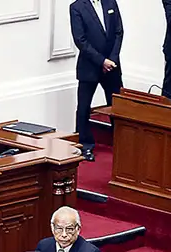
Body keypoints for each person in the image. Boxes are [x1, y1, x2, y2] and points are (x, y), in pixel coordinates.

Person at [70, 0, 123, 163]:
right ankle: (84, 145)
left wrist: (112, 59)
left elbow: (119, 32)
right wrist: (102, 61)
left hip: (112, 66)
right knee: (84, 107)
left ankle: (122, 143)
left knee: (118, 106)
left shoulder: (110, 2)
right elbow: (80, 40)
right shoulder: (77, 7)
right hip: (89, 66)